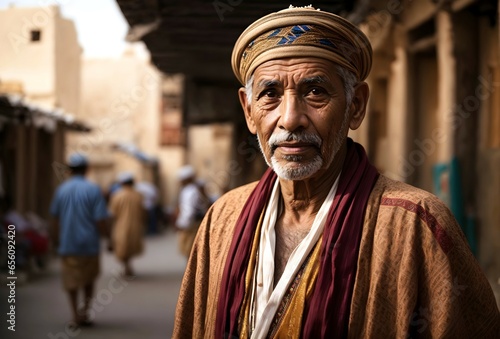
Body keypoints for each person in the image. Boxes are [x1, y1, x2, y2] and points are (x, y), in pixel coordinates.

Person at [173, 6, 500, 338]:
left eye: (315, 92)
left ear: (355, 106)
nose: (290, 119)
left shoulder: (417, 224)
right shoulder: (223, 218)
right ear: (248, 110)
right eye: (270, 95)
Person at [50, 153, 109, 328]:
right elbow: (100, 219)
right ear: (86, 169)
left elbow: (55, 218)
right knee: (88, 279)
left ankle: (75, 315)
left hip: (68, 244)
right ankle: (85, 313)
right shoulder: (93, 189)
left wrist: (54, 240)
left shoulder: (61, 190)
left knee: (71, 281)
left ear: (69, 170)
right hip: (89, 244)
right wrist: (109, 238)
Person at [108, 171, 145, 277]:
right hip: (135, 225)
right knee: (130, 247)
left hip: (121, 226)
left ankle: (127, 266)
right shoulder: (138, 195)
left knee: (122, 247)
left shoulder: (117, 195)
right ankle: (128, 266)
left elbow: (112, 213)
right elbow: (143, 212)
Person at [174, 165, 207, 258]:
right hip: (196, 223)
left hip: (191, 225)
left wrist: (182, 224)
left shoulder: (189, 191)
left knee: (190, 251)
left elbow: (188, 211)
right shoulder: (194, 189)